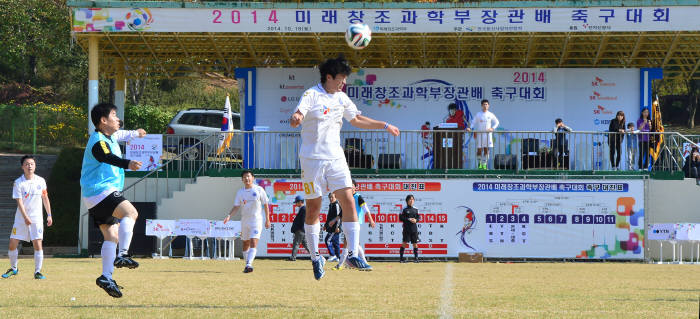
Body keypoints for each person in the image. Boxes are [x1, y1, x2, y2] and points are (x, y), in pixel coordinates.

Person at [289, 55, 399, 280]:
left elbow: (357, 119)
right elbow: (299, 112)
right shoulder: (312, 94)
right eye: (340, 79)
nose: (343, 84)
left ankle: (352, 254)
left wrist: (384, 125)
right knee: (313, 209)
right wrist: (296, 117)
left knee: (349, 200)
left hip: (336, 158)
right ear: (328, 77)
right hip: (312, 159)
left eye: (344, 80)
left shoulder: (341, 98)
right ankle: (315, 257)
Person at [80, 102, 146, 298]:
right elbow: (106, 157)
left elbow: (122, 134)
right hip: (101, 191)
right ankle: (123, 255)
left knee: (111, 236)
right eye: (114, 115)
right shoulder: (98, 141)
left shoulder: (110, 136)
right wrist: (128, 163)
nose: (118, 119)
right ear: (103, 120)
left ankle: (106, 277)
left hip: (93, 196)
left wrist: (135, 133)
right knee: (131, 213)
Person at [2, 155, 53, 280]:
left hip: (37, 218)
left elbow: (45, 198)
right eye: (27, 164)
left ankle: (37, 272)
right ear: (22, 167)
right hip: (21, 219)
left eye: (32, 164)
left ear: (35, 166)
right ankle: (14, 269)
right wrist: (25, 217)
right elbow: (19, 202)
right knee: (12, 243)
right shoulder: (18, 183)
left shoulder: (41, 181)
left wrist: (49, 215)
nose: (29, 166)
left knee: (37, 244)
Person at [223, 170, 270, 273]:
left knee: (254, 241)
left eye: (248, 176)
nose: (247, 179)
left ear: (253, 178)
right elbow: (236, 206)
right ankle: (247, 264)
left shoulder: (259, 189)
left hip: (256, 220)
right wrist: (229, 216)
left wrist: (267, 219)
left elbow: (266, 204)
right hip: (245, 221)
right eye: (245, 177)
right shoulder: (240, 192)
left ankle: (249, 264)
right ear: (242, 179)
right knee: (245, 244)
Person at [335, 179, 376, 270]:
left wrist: (370, 219)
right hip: (347, 223)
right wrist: (335, 220)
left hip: (354, 223)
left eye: (352, 186)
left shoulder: (358, 196)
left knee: (348, 243)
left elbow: (365, 208)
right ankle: (356, 262)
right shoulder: (346, 197)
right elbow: (342, 212)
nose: (350, 187)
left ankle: (344, 263)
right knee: (354, 244)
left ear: (355, 187)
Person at [467, 99, 499, 170]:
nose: (485, 106)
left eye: (486, 104)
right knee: (479, 150)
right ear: (481, 105)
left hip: (487, 135)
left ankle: (484, 164)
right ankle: (479, 163)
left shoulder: (490, 114)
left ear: (488, 105)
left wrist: (492, 128)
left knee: (486, 149)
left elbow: (497, 122)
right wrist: (470, 128)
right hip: (480, 134)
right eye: (484, 104)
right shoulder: (478, 114)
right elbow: (473, 122)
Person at [399, 194, 420, 263]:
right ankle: (401, 259)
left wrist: (416, 220)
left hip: (414, 229)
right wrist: (408, 219)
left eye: (412, 199)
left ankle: (416, 259)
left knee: (415, 243)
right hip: (406, 229)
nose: (411, 201)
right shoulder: (403, 209)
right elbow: (400, 218)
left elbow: (418, 218)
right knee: (404, 243)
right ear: (407, 201)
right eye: (410, 199)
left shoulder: (416, 209)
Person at [323, 192, 341, 262]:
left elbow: (338, 217)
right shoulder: (331, 205)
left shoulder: (336, 205)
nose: (330, 199)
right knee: (336, 243)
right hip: (331, 227)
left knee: (327, 240)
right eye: (329, 197)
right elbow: (329, 217)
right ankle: (338, 257)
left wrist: (337, 227)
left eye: (332, 197)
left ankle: (332, 255)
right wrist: (325, 225)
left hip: (335, 228)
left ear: (335, 197)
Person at [288, 196, 307, 261]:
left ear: (300, 202)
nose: (295, 204)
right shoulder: (302, 208)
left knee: (296, 243)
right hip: (301, 230)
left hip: (300, 230)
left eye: (296, 202)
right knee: (305, 244)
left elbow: (302, 220)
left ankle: (293, 257)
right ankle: (316, 256)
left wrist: (298, 229)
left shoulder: (303, 209)